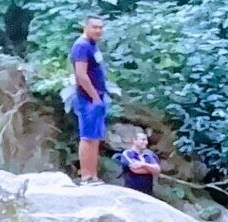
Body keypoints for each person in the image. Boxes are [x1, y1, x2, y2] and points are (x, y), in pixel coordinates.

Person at [69, 15, 109, 181]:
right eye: (94, 27)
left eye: (100, 27)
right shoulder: (81, 46)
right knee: (87, 137)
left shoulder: (93, 45)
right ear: (85, 27)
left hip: (99, 97)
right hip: (88, 98)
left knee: (95, 137)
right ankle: (86, 176)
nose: (98, 30)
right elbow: (81, 75)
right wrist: (94, 97)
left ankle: (93, 176)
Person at [118, 128, 161, 196]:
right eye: (143, 139)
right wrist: (151, 169)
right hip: (130, 193)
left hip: (147, 194)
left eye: (146, 140)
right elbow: (135, 169)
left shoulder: (148, 155)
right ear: (134, 140)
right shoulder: (127, 153)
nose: (146, 142)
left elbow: (157, 170)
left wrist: (142, 165)